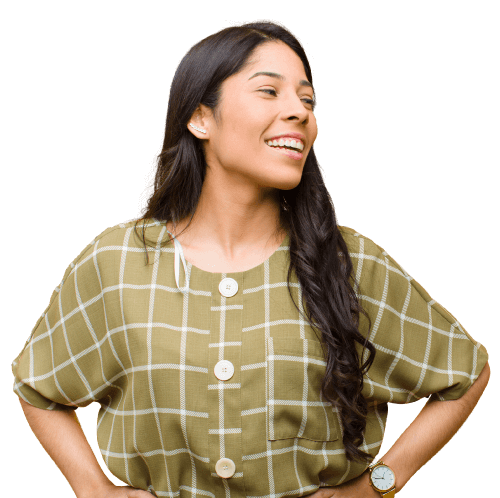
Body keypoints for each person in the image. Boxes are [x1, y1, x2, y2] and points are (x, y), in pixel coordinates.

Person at [12, 20, 490, 498]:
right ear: (200, 118)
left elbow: (466, 373)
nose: (299, 113)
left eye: (307, 100)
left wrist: (378, 485)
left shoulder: (350, 262)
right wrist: (92, 488)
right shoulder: (115, 263)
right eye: (269, 91)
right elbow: (37, 387)